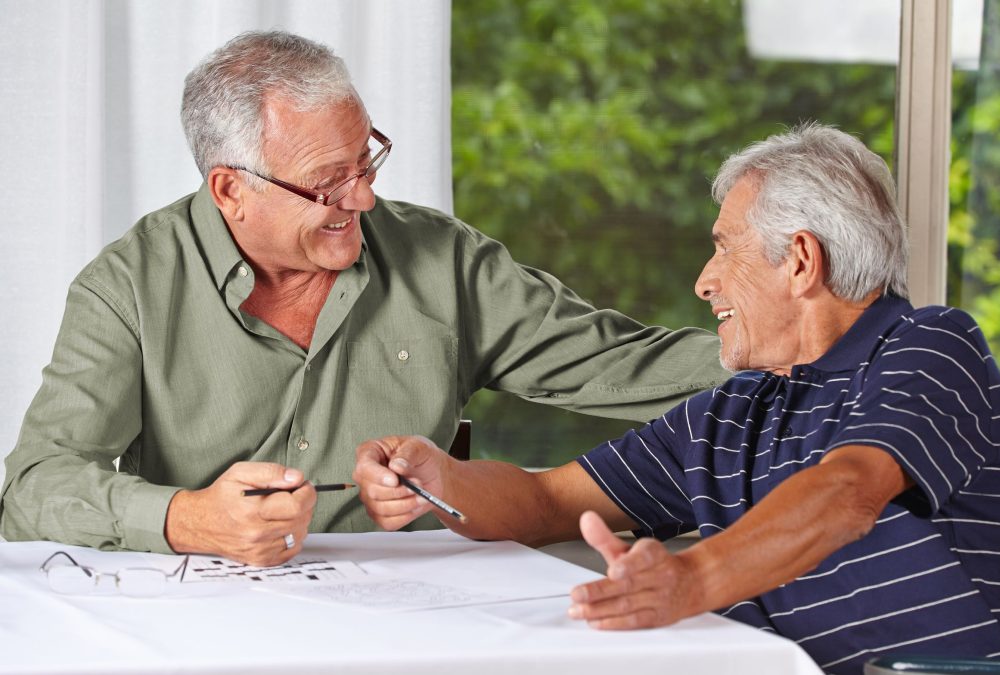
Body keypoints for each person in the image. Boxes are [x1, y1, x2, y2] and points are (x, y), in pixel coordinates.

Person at [0, 31, 727, 566]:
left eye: (366, 159)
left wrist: (804, 351)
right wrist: (186, 517)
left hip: (423, 624)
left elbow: (622, 364)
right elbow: (34, 487)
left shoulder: (441, 260)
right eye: (327, 182)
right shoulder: (127, 285)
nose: (365, 196)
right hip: (200, 631)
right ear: (231, 190)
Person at [353, 123, 1000, 674]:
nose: (704, 281)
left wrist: (688, 578)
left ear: (800, 259)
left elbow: (847, 492)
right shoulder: (735, 410)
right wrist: (444, 480)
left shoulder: (930, 346)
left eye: (724, 248)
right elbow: (550, 502)